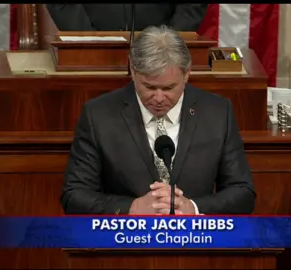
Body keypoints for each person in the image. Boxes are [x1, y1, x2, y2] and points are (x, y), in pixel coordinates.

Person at [61, 25, 256, 215]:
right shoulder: (99, 115)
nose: (159, 98)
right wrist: (131, 208)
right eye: (150, 88)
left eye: (169, 88)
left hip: (195, 240)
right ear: (133, 70)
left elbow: (243, 193)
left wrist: (194, 208)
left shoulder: (217, 113)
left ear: (187, 74)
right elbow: (74, 196)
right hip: (126, 241)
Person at [46, 4, 208, 32]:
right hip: (90, 57)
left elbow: (191, 6)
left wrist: (169, 41)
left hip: (165, 58)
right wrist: (89, 39)